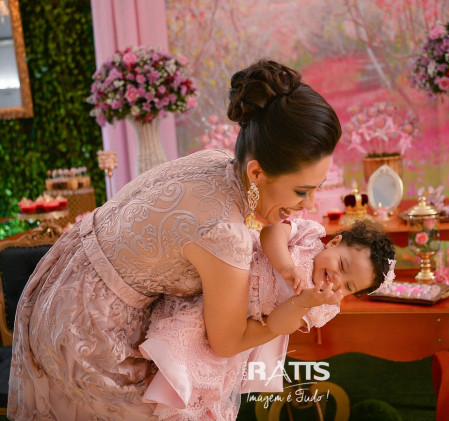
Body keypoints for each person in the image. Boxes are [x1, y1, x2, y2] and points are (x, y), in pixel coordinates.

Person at [8, 59, 343, 420]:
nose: (310, 204)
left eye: (317, 188)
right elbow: (227, 342)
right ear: (257, 172)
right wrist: (291, 314)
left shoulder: (214, 162)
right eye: (302, 191)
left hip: (62, 279)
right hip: (87, 329)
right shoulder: (226, 235)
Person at [139, 219, 396, 419]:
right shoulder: (310, 237)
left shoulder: (322, 306)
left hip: (233, 314)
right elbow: (272, 232)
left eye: (348, 286)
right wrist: (286, 265)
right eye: (342, 265)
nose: (338, 279)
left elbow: (276, 326)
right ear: (334, 242)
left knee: (193, 363)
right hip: (231, 265)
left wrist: (304, 302)